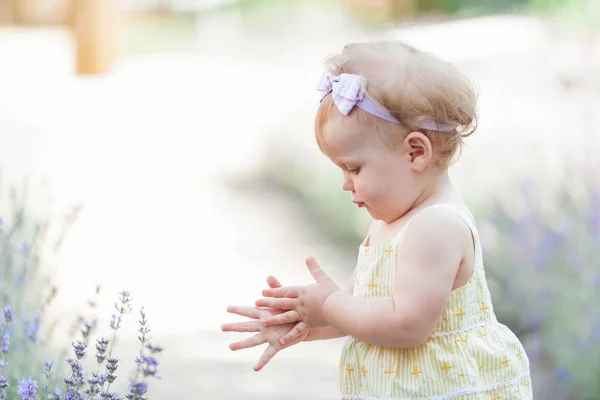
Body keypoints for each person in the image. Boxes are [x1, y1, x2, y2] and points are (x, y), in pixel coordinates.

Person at [221, 40, 532, 399]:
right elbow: (363, 313)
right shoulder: (390, 222)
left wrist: (329, 304)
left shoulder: (436, 227)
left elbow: (406, 325)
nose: (344, 183)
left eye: (353, 167)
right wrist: (309, 321)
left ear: (415, 152)